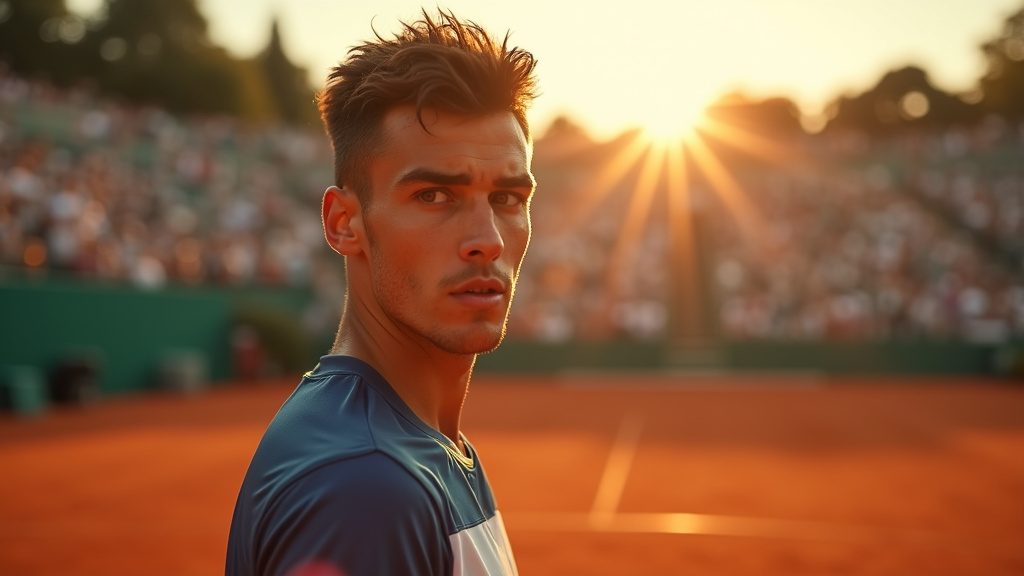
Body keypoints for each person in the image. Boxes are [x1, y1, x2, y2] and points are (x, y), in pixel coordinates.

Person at [226, 9, 538, 576]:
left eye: (508, 198)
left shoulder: (411, 446)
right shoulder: (365, 487)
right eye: (435, 196)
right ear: (345, 222)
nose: (487, 241)